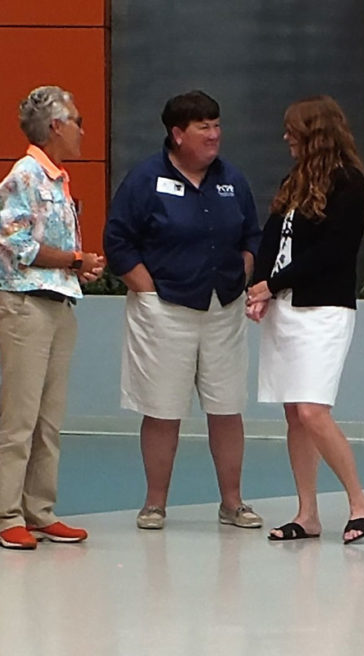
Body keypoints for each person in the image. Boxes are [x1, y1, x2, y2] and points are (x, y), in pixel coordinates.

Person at [104, 90, 263, 530]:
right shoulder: (144, 180)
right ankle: (154, 504)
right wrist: (148, 292)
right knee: (161, 409)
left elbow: (253, 234)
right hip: (164, 308)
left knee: (227, 407)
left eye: (216, 125)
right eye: (203, 127)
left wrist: (242, 271)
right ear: (177, 134)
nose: (214, 135)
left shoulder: (232, 178)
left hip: (224, 308)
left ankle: (233, 503)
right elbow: (117, 241)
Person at [246, 95, 364, 545]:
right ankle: (308, 513)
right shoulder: (294, 181)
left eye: (292, 130)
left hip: (323, 309)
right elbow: (271, 238)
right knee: (294, 415)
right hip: (285, 307)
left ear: (314, 133)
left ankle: (360, 503)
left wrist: (274, 282)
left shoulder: (349, 184)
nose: (285, 138)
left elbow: (334, 252)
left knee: (313, 410)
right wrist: (261, 285)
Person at [0, 85, 104, 549]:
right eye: (77, 122)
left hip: (55, 302)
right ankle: (6, 515)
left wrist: (77, 268)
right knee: (20, 417)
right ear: (55, 126)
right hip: (23, 304)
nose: (82, 131)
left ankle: (40, 509)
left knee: (48, 418)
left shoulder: (56, 179)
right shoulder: (24, 177)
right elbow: (15, 245)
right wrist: (75, 259)